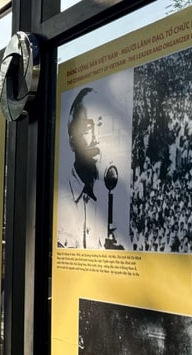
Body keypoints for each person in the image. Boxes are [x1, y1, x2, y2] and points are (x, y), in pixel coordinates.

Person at [58, 87, 106, 249]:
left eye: (100, 125)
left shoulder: (111, 198)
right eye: (87, 128)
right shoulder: (59, 200)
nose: (96, 138)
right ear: (72, 140)